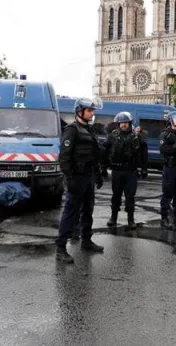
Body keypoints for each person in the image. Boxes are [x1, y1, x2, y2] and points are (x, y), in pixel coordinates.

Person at [55, 97, 104, 264]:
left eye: (92, 110)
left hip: (88, 177)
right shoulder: (72, 130)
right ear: (80, 112)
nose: (92, 113)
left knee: (88, 210)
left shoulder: (89, 130)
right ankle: (61, 248)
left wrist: (97, 175)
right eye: (89, 110)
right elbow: (64, 157)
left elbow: (94, 155)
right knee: (70, 212)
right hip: (77, 177)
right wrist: (70, 178)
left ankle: (86, 241)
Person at [102, 111, 148, 229]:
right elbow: (105, 150)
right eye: (121, 123)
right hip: (117, 170)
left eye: (125, 122)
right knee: (116, 195)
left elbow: (143, 152)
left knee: (130, 196)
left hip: (130, 171)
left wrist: (144, 168)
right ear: (118, 124)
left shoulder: (136, 136)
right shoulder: (112, 136)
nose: (123, 125)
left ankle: (130, 220)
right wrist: (102, 167)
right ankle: (113, 217)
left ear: (129, 123)